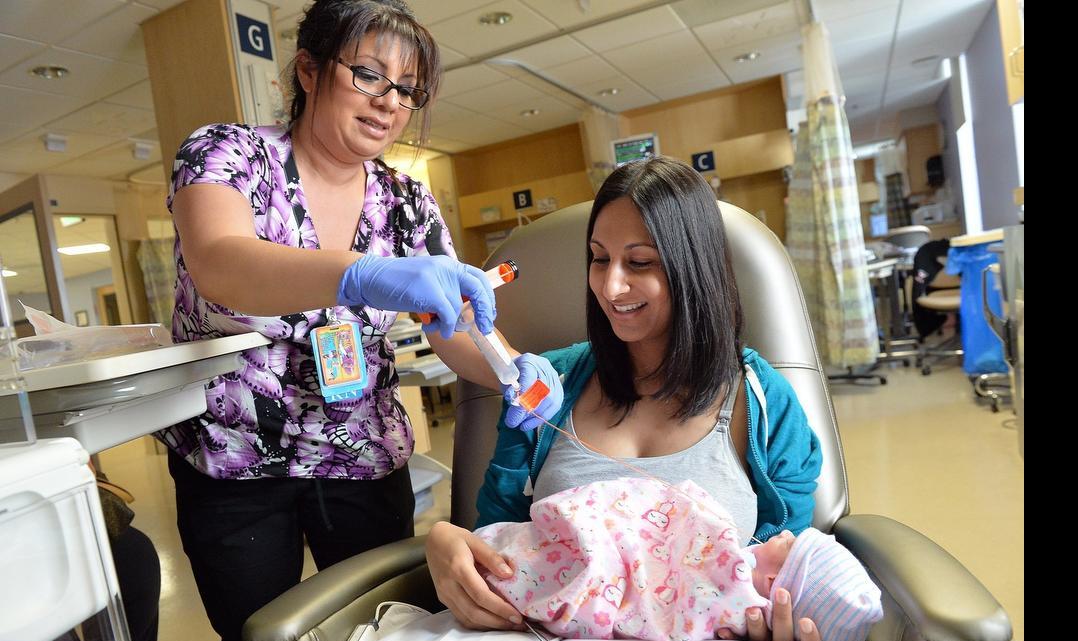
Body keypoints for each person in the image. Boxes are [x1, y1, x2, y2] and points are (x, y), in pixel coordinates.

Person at [157, 1, 562, 639]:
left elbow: (451, 321)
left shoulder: (406, 201)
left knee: (380, 626)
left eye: (407, 89)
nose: (388, 104)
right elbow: (220, 263)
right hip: (234, 458)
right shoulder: (227, 154)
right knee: (257, 628)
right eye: (369, 75)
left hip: (360, 452)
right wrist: (358, 273)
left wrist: (513, 370)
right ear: (310, 71)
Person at [426, 156, 828, 640]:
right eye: (599, 258)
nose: (611, 286)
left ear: (692, 268)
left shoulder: (762, 403)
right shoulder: (544, 389)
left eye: (639, 262)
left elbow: (792, 570)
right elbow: (498, 547)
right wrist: (446, 543)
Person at [476, 478, 883, 641]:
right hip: (503, 592)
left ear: (776, 581)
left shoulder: (736, 592)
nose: (789, 532)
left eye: (793, 546)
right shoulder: (544, 391)